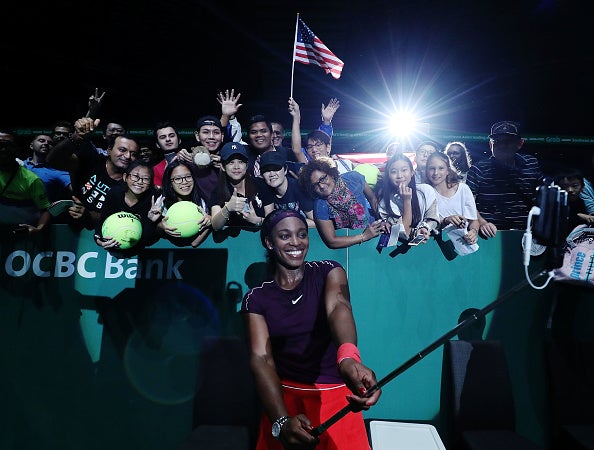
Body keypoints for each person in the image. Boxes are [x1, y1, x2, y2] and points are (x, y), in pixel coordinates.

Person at [240, 209, 381, 450]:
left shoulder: (329, 270)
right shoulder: (256, 298)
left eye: (302, 234)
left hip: (336, 394)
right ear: (269, 242)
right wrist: (281, 421)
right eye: (285, 236)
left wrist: (348, 358)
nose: (296, 242)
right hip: (284, 399)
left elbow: (339, 306)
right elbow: (262, 359)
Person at [46, 117, 139, 228]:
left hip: (103, 234)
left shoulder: (132, 183)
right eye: (122, 150)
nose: (128, 156)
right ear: (109, 150)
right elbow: (53, 161)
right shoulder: (91, 161)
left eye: (133, 154)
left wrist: (88, 215)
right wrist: (76, 137)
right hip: (67, 228)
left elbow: (117, 217)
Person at [466, 120, 543, 236]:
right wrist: (482, 223)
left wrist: (538, 224)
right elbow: (467, 202)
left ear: (520, 143)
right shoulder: (478, 169)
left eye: (507, 141)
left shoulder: (531, 164)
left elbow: (541, 199)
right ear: (491, 145)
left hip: (526, 233)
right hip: (490, 234)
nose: (501, 146)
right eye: (497, 141)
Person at [299, 156, 386, 249]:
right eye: (315, 185)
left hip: (373, 233)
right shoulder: (320, 205)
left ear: (331, 174)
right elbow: (331, 242)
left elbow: (372, 199)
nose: (321, 186)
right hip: (348, 246)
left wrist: (382, 220)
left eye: (322, 179)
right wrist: (363, 237)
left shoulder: (354, 178)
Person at [94, 160, 161, 256]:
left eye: (145, 179)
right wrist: (100, 241)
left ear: (151, 183)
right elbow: (101, 223)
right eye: (135, 176)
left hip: (139, 249)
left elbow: (148, 240)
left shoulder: (154, 200)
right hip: (113, 247)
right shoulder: (114, 194)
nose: (140, 182)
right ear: (125, 177)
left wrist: (151, 221)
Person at [376, 153, 440, 246]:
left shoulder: (426, 191)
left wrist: (425, 228)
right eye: (394, 172)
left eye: (404, 170)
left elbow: (433, 217)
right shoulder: (386, 203)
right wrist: (407, 201)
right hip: (398, 250)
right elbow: (404, 232)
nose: (399, 175)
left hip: (428, 246)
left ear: (412, 172)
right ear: (388, 176)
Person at [210, 142, 272, 231]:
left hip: (260, 240)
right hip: (233, 242)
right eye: (231, 162)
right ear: (223, 167)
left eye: (240, 162)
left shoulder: (261, 185)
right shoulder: (218, 191)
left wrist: (257, 220)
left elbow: (273, 221)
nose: (236, 167)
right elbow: (216, 226)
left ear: (246, 166)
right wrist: (227, 208)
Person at [0, 129, 52, 233]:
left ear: (15, 149)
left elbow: (45, 210)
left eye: (7, 145)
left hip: (21, 233)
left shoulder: (31, 180)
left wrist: (38, 229)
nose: (2, 149)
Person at [425, 151, 479, 251]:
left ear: (448, 171)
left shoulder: (463, 189)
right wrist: (446, 220)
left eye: (441, 168)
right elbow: (427, 225)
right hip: (434, 247)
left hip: (464, 245)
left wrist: (474, 232)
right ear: (426, 170)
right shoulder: (425, 193)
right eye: (432, 168)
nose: (436, 173)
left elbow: (473, 220)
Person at [159, 159, 211, 248]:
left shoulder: (202, 202)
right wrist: (160, 226)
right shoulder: (162, 202)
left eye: (188, 176)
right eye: (178, 179)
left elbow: (194, 243)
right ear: (170, 183)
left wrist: (211, 220)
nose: (184, 182)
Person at [258, 150, 315, 227]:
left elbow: (316, 222)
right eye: (266, 170)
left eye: (276, 168)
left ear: (285, 170)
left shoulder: (298, 188)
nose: (271, 174)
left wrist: (284, 221)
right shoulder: (265, 190)